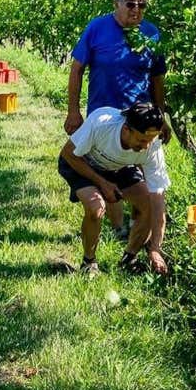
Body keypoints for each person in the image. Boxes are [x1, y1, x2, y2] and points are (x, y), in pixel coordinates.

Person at [66, 0, 169, 245]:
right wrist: (73, 112)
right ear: (116, 3)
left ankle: (138, 235)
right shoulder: (97, 28)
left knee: (139, 177)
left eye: (142, 5)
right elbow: (77, 68)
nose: (136, 9)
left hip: (139, 121)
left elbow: (157, 77)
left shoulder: (151, 34)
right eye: (130, 3)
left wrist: (161, 116)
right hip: (104, 120)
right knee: (108, 171)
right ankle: (117, 227)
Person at [59, 103, 170, 275]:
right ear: (126, 130)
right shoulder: (102, 123)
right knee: (96, 209)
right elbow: (68, 153)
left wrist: (155, 248)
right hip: (81, 162)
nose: (146, 146)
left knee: (147, 203)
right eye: (141, 140)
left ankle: (129, 259)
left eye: (150, 141)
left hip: (117, 167)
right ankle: (89, 263)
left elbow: (158, 198)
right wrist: (102, 183)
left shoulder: (152, 147)